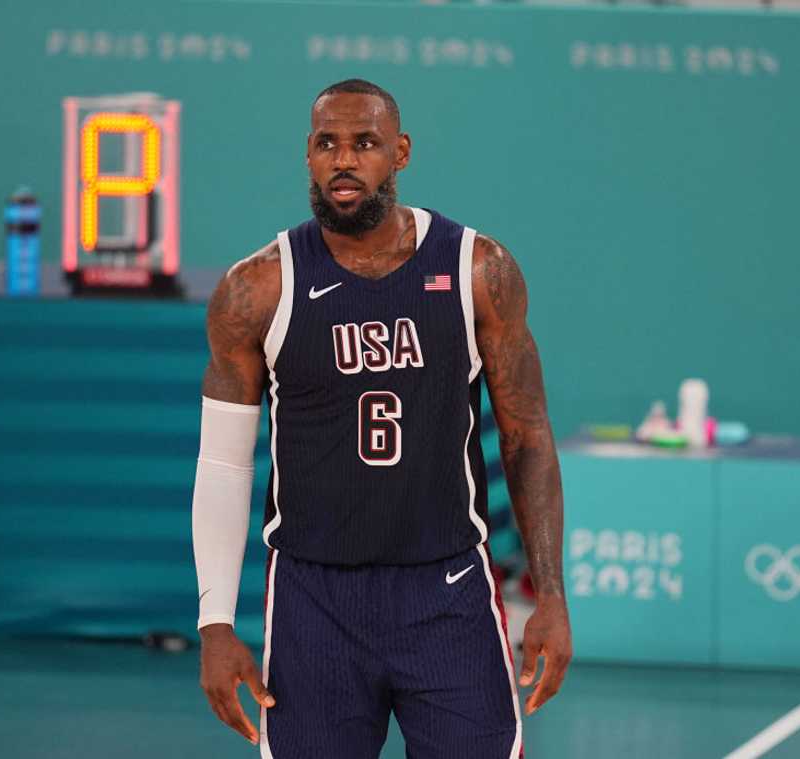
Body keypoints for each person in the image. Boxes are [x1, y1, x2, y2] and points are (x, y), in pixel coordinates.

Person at [191, 78, 571, 759]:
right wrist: (215, 621)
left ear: (400, 153)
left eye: (364, 144)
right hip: (314, 598)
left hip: (447, 591)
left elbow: (527, 435)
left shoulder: (477, 269)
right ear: (307, 156)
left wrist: (551, 592)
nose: (344, 160)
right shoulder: (256, 289)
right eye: (326, 144)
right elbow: (221, 462)